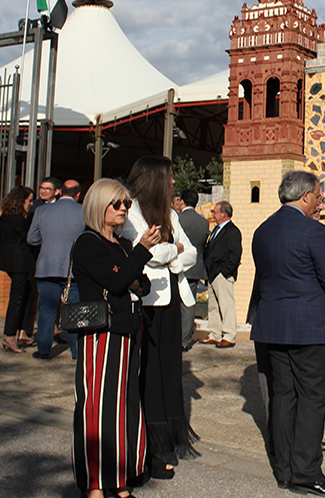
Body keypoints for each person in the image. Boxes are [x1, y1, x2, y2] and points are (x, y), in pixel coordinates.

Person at [251, 171, 325, 496]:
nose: (320, 203)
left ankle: (285, 471)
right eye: (319, 197)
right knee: (312, 398)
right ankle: (307, 472)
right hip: (310, 327)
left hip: (273, 325)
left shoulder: (263, 230)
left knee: (283, 396)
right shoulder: (313, 231)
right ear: (305, 196)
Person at [71, 179, 159, 498]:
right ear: (99, 206)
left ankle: (118, 481)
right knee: (97, 409)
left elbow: (142, 284)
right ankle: (95, 486)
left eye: (127, 205)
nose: (123, 210)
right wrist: (140, 255)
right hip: (100, 334)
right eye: (117, 204)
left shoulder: (121, 245)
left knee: (123, 406)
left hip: (127, 332)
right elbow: (119, 280)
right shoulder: (87, 243)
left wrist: (132, 268)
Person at [121, 155, 199, 479]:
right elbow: (148, 256)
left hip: (171, 303)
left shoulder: (169, 214)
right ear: (154, 179)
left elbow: (193, 251)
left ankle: (164, 441)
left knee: (169, 376)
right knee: (148, 378)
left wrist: (172, 251)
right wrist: (173, 249)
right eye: (168, 177)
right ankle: (147, 450)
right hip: (147, 304)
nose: (172, 183)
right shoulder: (131, 213)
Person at [28, 181, 85, 360]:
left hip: (46, 267)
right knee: (75, 311)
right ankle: (76, 351)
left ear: (60, 192)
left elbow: (32, 238)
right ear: (78, 195)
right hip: (72, 271)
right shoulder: (84, 212)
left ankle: (44, 350)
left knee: (46, 310)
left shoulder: (42, 211)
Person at [0, 185, 35, 354]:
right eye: (29, 200)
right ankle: (10, 336)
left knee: (28, 293)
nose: (31, 204)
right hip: (19, 263)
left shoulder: (6, 216)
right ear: (21, 200)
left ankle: (22, 331)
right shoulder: (18, 220)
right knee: (17, 298)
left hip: (10, 261)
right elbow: (29, 238)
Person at [201, 200, 241, 348]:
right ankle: (215, 333)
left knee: (226, 304)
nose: (213, 214)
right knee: (213, 305)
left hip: (221, 274)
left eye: (215, 212)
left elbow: (235, 254)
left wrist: (224, 272)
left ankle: (229, 335)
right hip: (212, 273)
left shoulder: (232, 231)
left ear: (223, 214)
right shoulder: (216, 230)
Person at [175, 189, 209, 351]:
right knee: (189, 304)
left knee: (174, 303)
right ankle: (185, 339)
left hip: (176, 265)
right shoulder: (204, 223)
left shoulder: (177, 219)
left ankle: (173, 337)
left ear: (182, 201)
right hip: (195, 267)